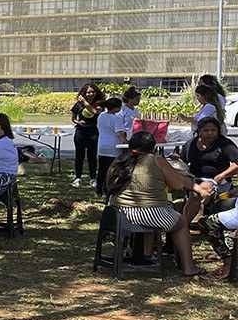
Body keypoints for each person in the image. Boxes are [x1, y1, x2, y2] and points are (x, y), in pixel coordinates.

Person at [106, 131, 211, 277]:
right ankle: (189, 267)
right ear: (153, 147)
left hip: (117, 214)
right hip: (146, 213)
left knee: (162, 213)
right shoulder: (155, 160)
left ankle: (146, 254)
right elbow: (177, 184)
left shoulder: (119, 160)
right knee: (180, 222)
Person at [183, 116, 238, 213]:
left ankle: (185, 223)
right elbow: (182, 161)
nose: (210, 133)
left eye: (213, 130)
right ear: (199, 131)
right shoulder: (190, 144)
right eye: (206, 130)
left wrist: (222, 175)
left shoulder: (224, 144)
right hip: (194, 179)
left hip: (217, 180)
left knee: (198, 193)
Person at [70, 83, 103, 188]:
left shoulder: (99, 103)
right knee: (79, 155)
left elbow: (95, 112)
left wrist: (84, 102)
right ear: (84, 93)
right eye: (88, 92)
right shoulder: (78, 104)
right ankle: (78, 178)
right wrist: (78, 122)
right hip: (80, 132)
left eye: (93, 92)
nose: (91, 94)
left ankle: (93, 178)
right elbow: (73, 118)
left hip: (93, 132)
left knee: (92, 156)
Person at [95, 97, 127, 197]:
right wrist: (126, 143)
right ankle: (108, 190)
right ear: (116, 108)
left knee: (102, 170)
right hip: (113, 147)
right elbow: (120, 134)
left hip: (101, 146)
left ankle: (99, 190)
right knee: (112, 170)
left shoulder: (101, 115)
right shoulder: (116, 118)